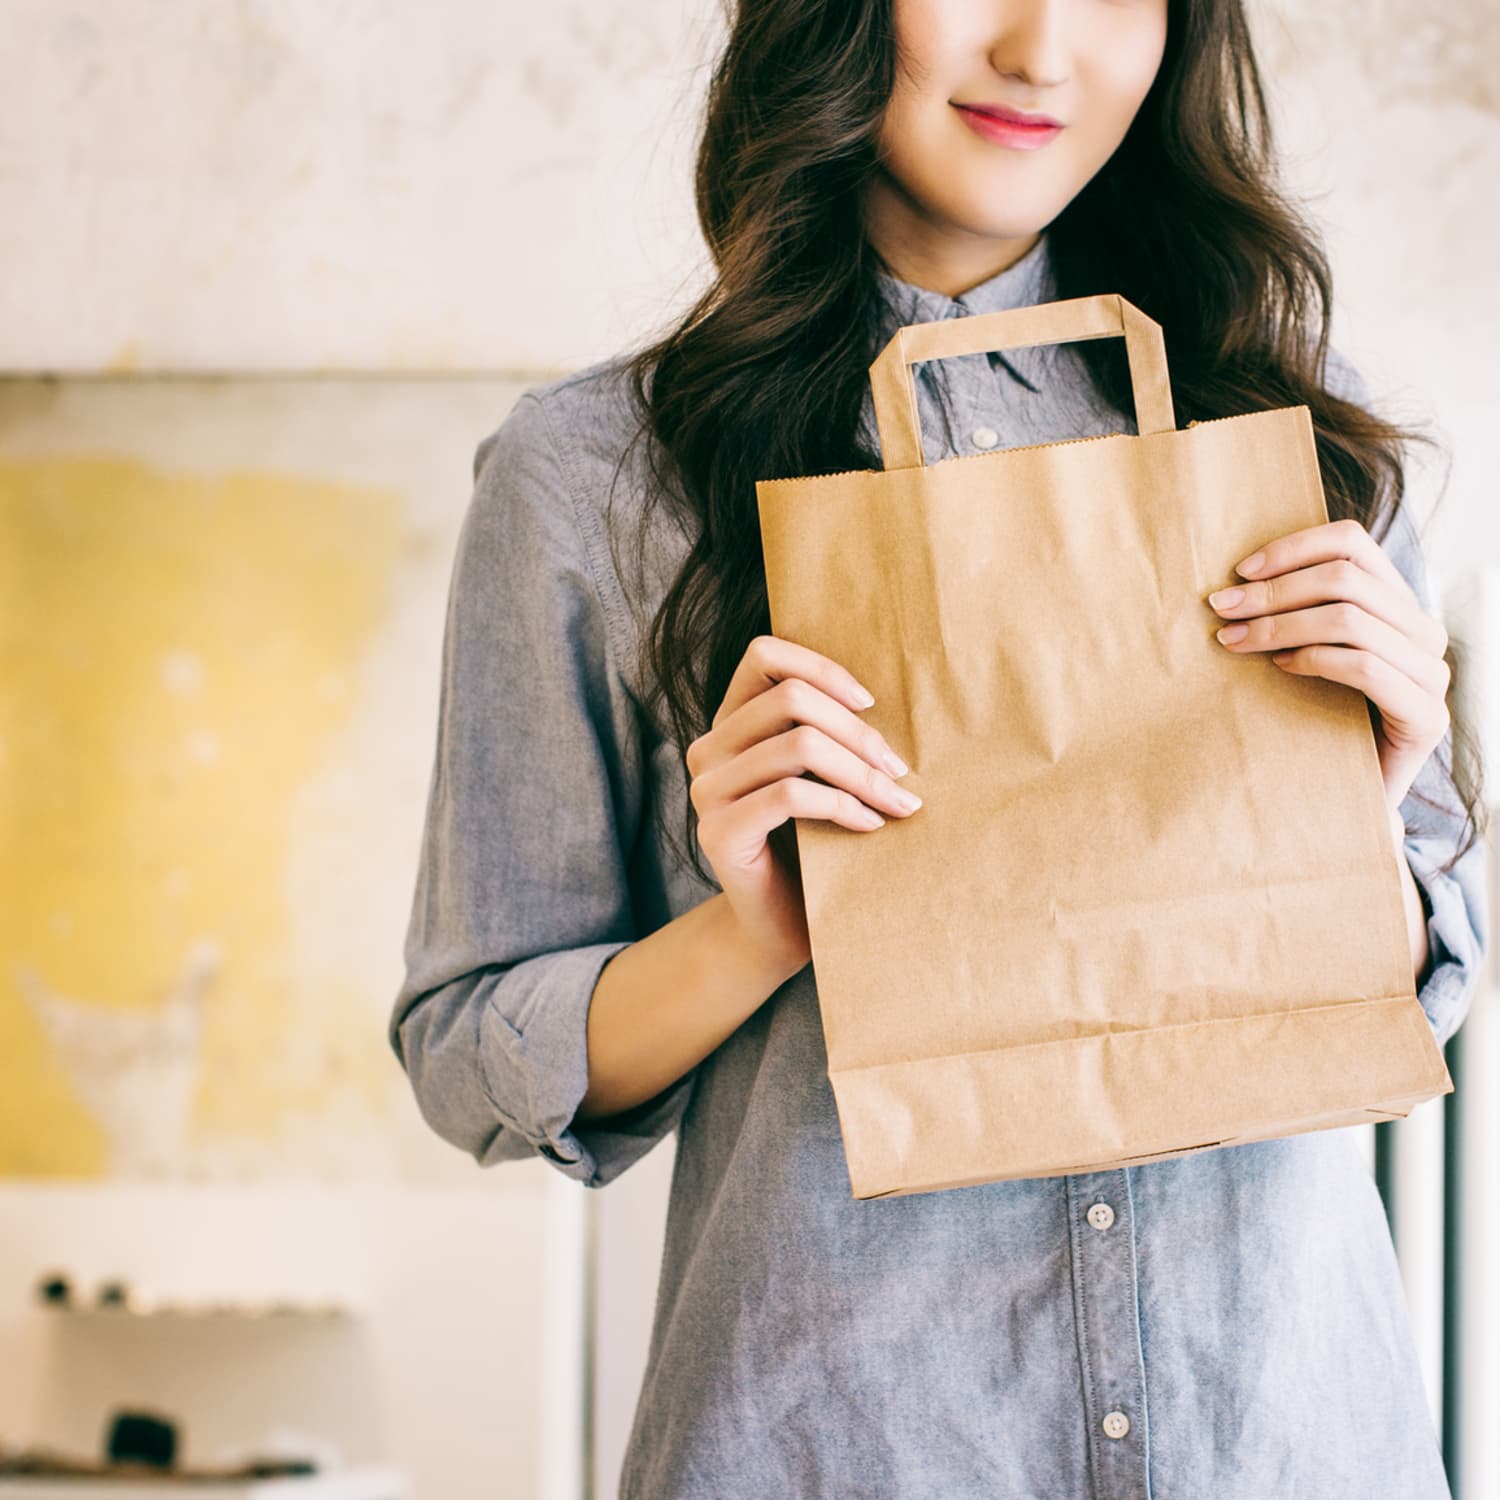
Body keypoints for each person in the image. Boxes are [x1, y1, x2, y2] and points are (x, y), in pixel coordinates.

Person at [388, 1, 1490, 1495]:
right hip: (839, 1451)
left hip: (1286, 1440)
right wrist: (760, 930)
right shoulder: (597, 476)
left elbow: (1428, 981)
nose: (1045, 50)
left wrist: (1365, 792)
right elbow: (470, 1049)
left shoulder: (1282, 424)